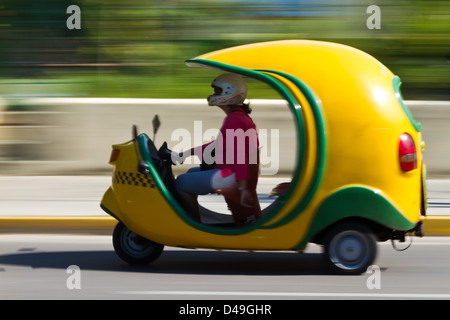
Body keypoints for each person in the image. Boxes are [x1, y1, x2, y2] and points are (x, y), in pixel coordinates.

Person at [174, 73, 259, 222]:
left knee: (181, 182)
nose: (213, 94)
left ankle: (194, 227)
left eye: (217, 91)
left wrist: (242, 186)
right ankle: (195, 215)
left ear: (229, 92)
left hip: (231, 174)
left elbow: (240, 154)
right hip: (231, 171)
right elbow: (216, 145)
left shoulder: (235, 120)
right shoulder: (238, 117)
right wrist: (186, 153)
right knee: (191, 172)